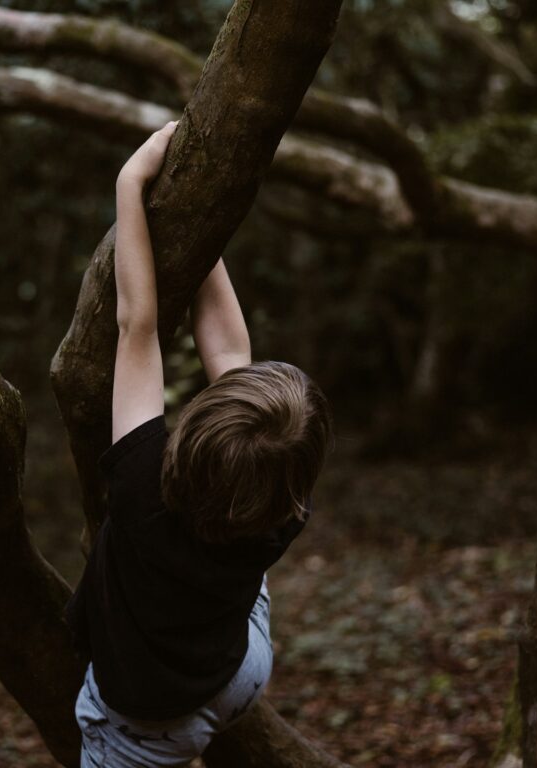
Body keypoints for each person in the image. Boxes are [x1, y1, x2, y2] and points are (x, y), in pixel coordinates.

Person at [65, 121, 333, 767]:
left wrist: (133, 183)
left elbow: (138, 326)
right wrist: (193, 226)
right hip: (239, 669)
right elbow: (224, 348)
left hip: (148, 720)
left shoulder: (142, 486)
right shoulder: (283, 504)